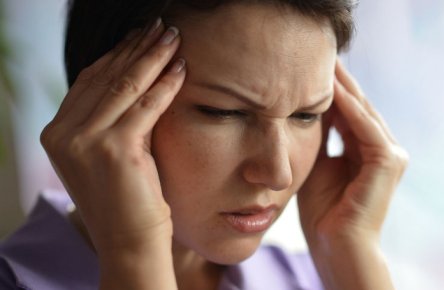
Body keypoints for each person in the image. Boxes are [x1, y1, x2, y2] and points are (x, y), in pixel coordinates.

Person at [0, 0, 408, 289]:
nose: (278, 173)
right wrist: (133, 256)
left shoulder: (317, 278)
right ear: (102, 105)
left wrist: (352, 251)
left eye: (307, 115)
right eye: (224, 112)